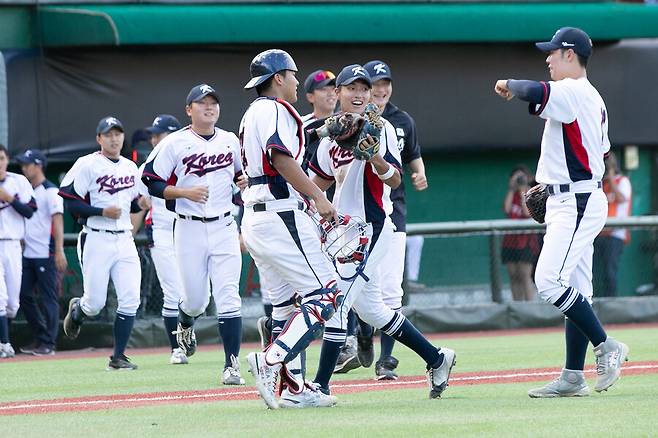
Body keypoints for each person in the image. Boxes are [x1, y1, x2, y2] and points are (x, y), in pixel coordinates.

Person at [495, 27, 629, 397]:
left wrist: (507, 82)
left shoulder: (572, 91)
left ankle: (606, 345)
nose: (548, 57)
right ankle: (573, 376)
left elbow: (534, 90)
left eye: (553, 52)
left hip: (577, 201)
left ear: (570, 54)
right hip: (570, 196)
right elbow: (597, 152)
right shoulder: (591, 97)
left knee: (549, 281)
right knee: (577, 289)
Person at [308, 63, 456, 399]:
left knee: (338, 301)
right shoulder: (332, 134)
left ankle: (320, 385)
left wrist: (375, 158)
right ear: (338, 93)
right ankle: (437, 358)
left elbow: (394, 178)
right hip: (341, 233)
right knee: (373, 311)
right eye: (352, 88)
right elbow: (319, 182)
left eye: (364, 88)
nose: (359, 94)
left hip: (372, 229)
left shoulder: (381, 127)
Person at [239, 49, 343, 409]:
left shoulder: (253, 112)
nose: (298, 81)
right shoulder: (276, 109)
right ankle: (271, 360)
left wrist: (327, 128)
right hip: (279, 213)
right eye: (294, 75)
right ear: (278, 78)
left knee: (284, 308)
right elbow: (280, 157)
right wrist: (318, 197)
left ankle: (296, 391)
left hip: (257, 215)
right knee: (327, 295)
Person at [142, 85, 246, 385]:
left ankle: (231, 366)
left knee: (229, 297)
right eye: (202, 103)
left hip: (225, 225)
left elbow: (242, 174)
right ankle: (186, 321)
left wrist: (243, 181)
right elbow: (150, 180)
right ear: (189, 109)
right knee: (196, 301)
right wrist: (184, 192)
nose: (209, 108)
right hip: (188, 227)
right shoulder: (175, 143)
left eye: (214, 103)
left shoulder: (230, 140)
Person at [59, 117, 145, 370]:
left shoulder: (130, 166)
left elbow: (131, 202)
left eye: (117, 133)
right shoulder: (87, 164)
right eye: (108, 134)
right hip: (96, 236)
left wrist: (141, 204)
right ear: (99, 139)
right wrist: (99, 211)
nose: (114, 138)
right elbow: (71, 201)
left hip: (125, 238)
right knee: (95, 304)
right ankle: (79, 310)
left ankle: (118, 357)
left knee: (130, 300)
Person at [134, 114, 190, 365]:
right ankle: (176, 348)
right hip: (162, 230)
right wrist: (139, 207)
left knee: (199, 295)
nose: (155, 139)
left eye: (160, 134)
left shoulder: (190, 160)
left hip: (190, 229)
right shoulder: (145, 166)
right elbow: (137, 204)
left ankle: (186, 332)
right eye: (153, 135)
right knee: (172, 291)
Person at [16, 149, 67, 356]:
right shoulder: (28, 190)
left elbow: (58, 220)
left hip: (46, 252)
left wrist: (59, 251)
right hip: (28, 253)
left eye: (27, 164)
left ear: (38, 165)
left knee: (49, 299)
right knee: (24, 295)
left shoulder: (50, 191)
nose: (24, 168)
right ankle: (40, 337)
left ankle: (49, 343)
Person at [0, 144, 36, 359]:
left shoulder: (18, 181)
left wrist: (10, 198)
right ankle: (4, 343)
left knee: (13, 302)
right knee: (1, 298)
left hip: (13, 243)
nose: (0, 163)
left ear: (7, 159)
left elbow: (31, 211)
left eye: (2, 158)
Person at [593, 152, 631, 297]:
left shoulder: (622, 180)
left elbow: (621, 198)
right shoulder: (601, 184)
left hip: (616, 234)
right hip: (600, 232)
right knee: (597, 271)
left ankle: (611, 303)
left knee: (610, 270)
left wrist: (611, 175)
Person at [502, 165, 539, 302]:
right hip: (510, 240)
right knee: (513, 275)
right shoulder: (511, 194)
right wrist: (512, 189)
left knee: (525, 275)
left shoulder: (529, 194)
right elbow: (507, 209)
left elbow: (526, 212)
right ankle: (518, 306)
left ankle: (529, 307)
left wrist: (523, 190)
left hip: (526, 241)